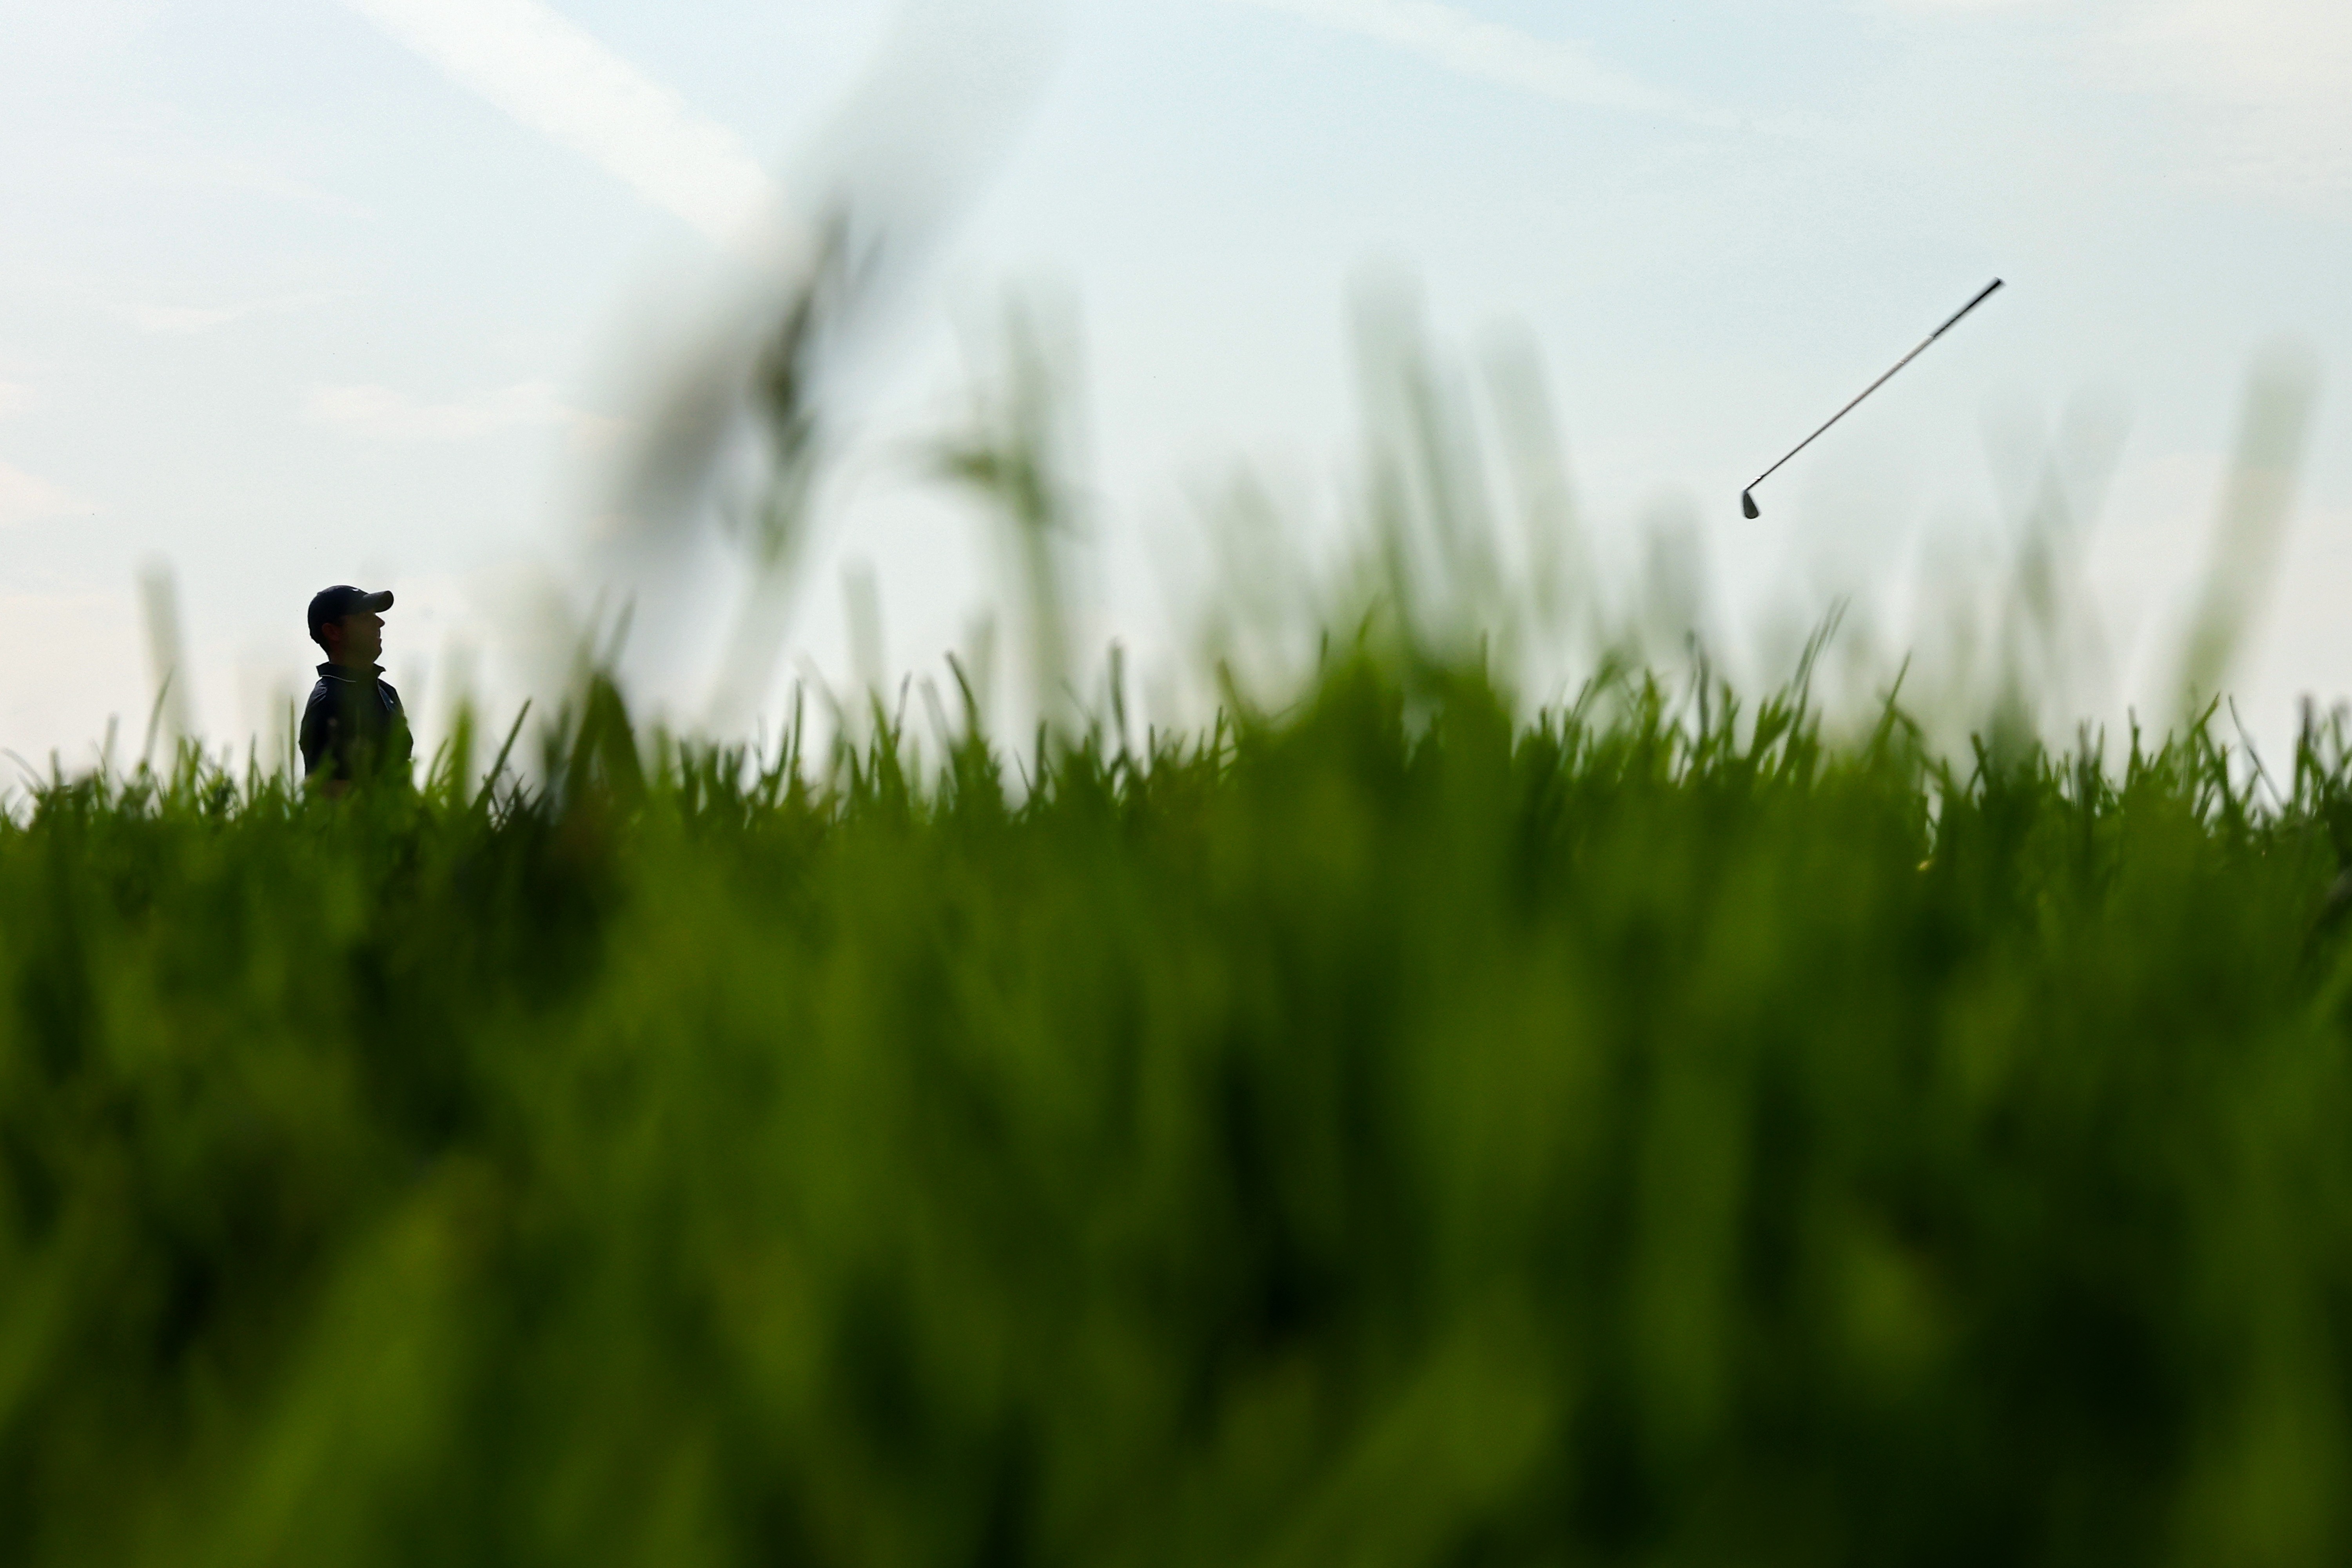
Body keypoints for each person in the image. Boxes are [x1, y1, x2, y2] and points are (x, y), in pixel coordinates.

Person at [300, 585, 412, 790]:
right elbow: (322, 790)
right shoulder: (328, 701)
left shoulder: (387, 692)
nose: (380, 622)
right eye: (364, 617)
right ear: (333, 632)